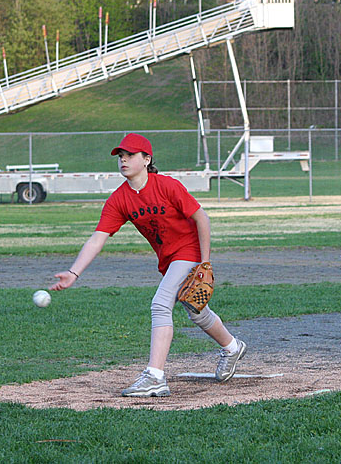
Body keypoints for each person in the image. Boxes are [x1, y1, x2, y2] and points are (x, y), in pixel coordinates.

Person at [49, 133, 247, 397]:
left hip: (189, 251)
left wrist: (205, 262)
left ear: (147, 159)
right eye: (121, 156)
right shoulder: (120, 199)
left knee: (160, 304)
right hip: (169, 259)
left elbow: (202, 218)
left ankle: (155, 376)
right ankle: (233, 347)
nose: (123, 160)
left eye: (130, 155)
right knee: (196, 311)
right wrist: (74, 272)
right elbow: (98, 238)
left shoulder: (166, 186)